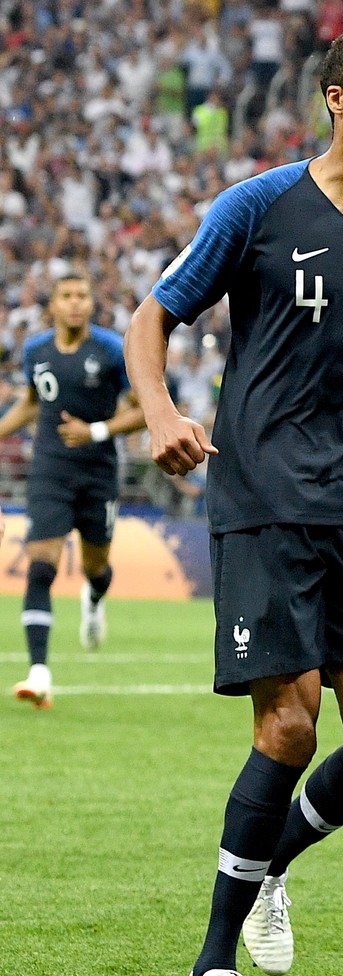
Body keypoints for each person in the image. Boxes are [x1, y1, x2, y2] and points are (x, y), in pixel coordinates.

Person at [124, 21, 343, 976]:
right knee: (288, 720)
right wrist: (159, 413)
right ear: (338, 98)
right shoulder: (260, 206)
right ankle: (211, 964)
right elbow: (154, 315)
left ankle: (273, 862)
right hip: (262, 493)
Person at [0, 274, 145, 709]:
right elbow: (30, 403)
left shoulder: (110, 350)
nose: (76, 303)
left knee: (96, 566)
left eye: (83, 295)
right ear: (54, 306)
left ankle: (94, 597)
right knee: (41, 563)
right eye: (67, 296)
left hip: (99, 474)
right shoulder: (36, 351)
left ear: (91, 303)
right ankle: (39, 672)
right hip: (49, 470)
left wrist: (96, 430)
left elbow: (142, 410)